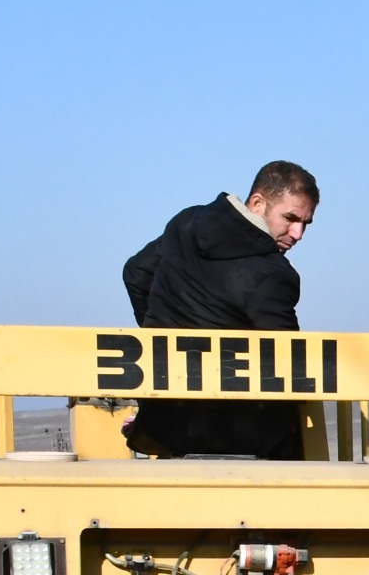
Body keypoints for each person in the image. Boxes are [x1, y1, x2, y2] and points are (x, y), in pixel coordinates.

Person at [120, 161, 319, 459]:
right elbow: (289, 360)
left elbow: (136, 273)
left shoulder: (186, 222)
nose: (298, 233)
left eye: (305, 223)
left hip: (164, 424)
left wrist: (159, 336)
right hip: (241, 435)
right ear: (257, 203)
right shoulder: (273, 275)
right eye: (290, 218)